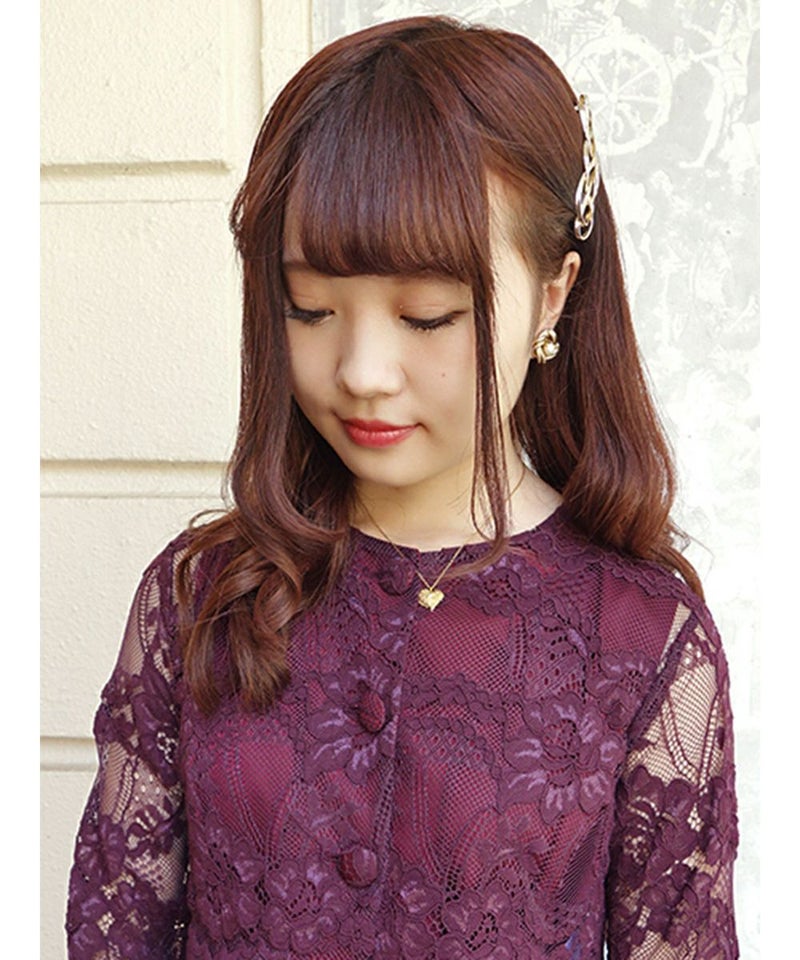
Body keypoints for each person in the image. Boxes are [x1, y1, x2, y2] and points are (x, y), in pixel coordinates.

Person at [65, 15, 738, 960]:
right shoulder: (197, 598)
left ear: (553, 295)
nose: (362, 372)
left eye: (426, 315)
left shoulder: (642, 635)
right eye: (311, 308)